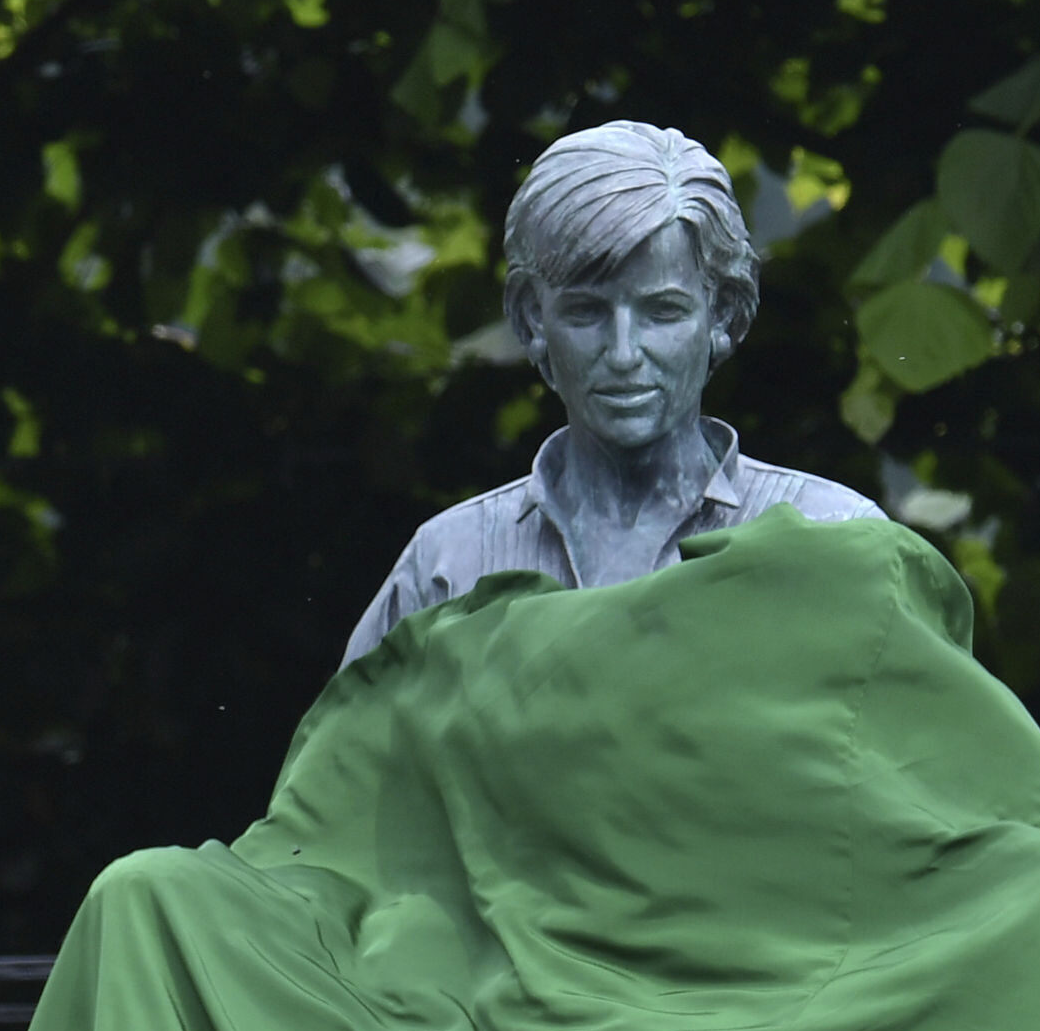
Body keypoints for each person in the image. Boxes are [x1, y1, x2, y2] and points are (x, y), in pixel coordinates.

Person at [341, 120, 879, 664]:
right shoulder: (448, 565)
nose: (623, 353)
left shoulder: (838, 540)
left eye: (663, 311)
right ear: (532, 318)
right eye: (586, 312)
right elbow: (356, 746)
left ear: (723, 314)